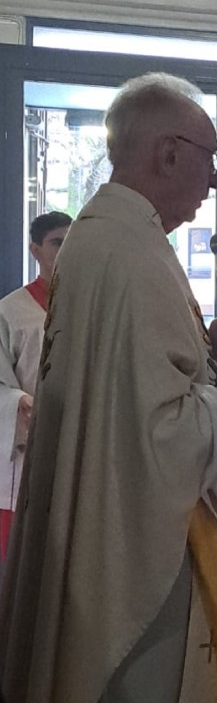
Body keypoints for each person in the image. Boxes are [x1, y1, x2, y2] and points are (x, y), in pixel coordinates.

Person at [0, 72, 217, 703]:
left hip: (122, 544)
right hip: (145, 580)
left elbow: (130, 397)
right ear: (167, 152)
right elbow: (154, 440)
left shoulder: (107, 239)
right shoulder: (130, 253)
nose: (216, 180)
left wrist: (206, 358)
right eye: (210, 159)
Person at [0, 211, 71, 561]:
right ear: (35, 250)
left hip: (81, 443)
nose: (66, 249)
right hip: (29, 443)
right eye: (57, 242)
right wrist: (18, 402)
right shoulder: (10, 312)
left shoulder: (94, 307)